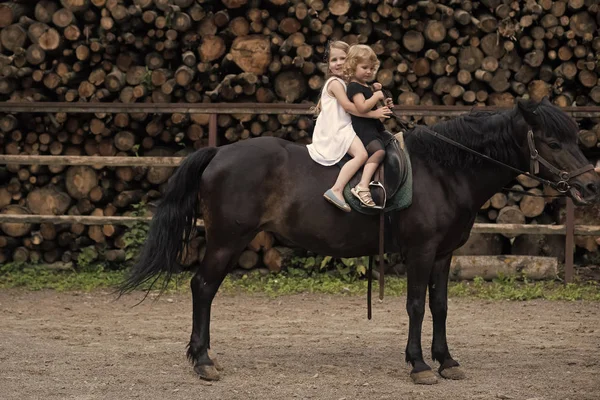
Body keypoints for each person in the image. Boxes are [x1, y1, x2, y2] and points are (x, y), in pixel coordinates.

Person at [307, 41, 393, 212]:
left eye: (342, 59)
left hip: (348, 126)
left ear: (350, 62)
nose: (338, 63)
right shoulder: (335, 83)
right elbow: (349, 107)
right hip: (337, 129)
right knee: (361, 154)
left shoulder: (349, 83)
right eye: (334, 60)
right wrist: (373, 114)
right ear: (329, 65)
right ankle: (337, 189)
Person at [344, 44, 392, 208]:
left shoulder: (366, 87)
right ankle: (362, 186)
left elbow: (374, 111)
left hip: (372, 127)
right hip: (362, 129)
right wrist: (376, 95)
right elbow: (362, 107)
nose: (369, 71)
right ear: (352, 66)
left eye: (371, 68)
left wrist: (384, 106)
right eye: (364, 67)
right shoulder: (354, 87)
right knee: (378, 151)